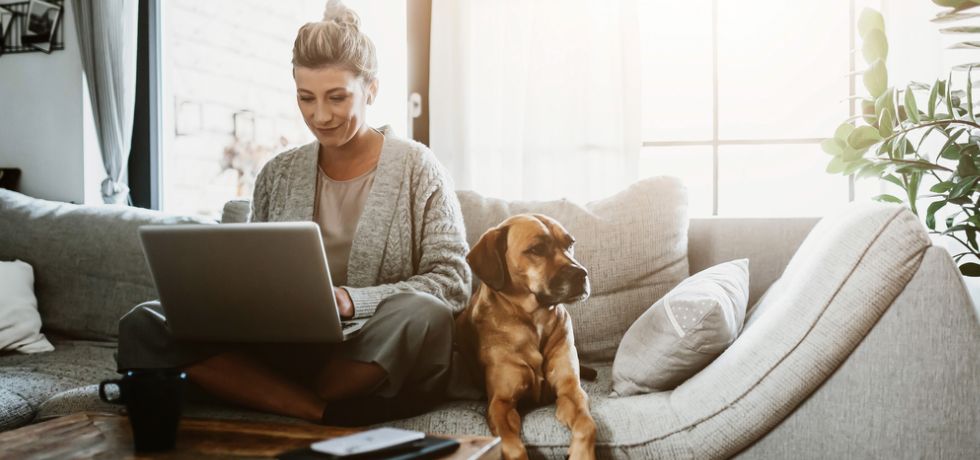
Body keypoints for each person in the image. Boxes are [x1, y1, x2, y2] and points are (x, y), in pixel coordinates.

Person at [115, 0, 471, 425]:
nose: (320, 115)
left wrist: (350, 301)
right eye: (306, 98)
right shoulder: (277, 173)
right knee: (143, 322)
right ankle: (320, 410)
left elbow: (452, 282)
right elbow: (252, 271)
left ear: (371, 89)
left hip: (369, 348)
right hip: (283, 346)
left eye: (337, 97)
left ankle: (260, 391)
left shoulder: (418, 167)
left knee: (423, 313)